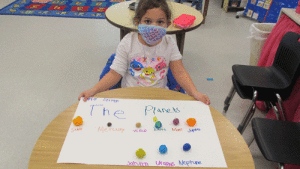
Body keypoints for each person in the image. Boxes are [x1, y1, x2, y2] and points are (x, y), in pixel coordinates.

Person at [78, 0, 210, 105]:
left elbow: (180, 72)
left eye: (160, 22)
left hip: (160, 98)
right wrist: (93, 90)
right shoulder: (128, 42)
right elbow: (114, 73)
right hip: (130, 97)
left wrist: (195, 93)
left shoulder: (169, 42)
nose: (153, 26)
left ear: (168, 24)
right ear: (137, 22)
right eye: (147, 21)